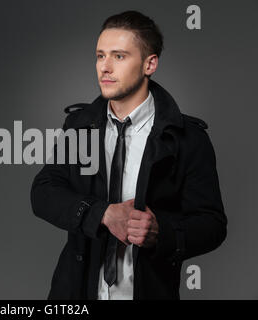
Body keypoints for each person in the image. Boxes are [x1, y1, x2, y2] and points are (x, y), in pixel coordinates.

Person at [30, 10, 227, 300]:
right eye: (100, 56)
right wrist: (103, 214)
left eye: (119, 56)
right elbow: (44, 192)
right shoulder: (79, 125)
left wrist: (163, 232)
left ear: (150, 64)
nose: (104, 68)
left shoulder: (189, 139)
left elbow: (212, 225)